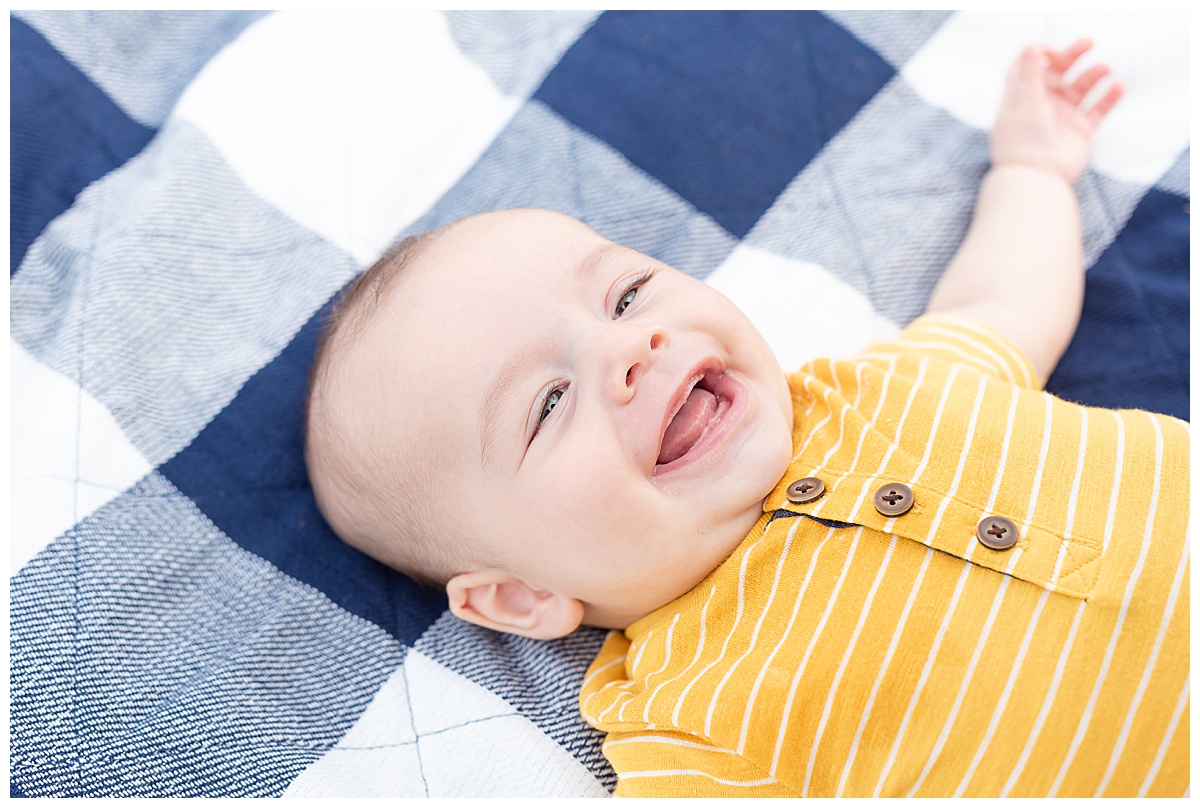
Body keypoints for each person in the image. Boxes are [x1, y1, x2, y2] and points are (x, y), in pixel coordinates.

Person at [304, 39, 1187, 796]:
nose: (629, 347)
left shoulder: (880, 388)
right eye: (548, 403)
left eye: (626, 294)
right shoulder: (686, 723)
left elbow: (1001, 301)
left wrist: (1032, 169)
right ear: (521, 596)